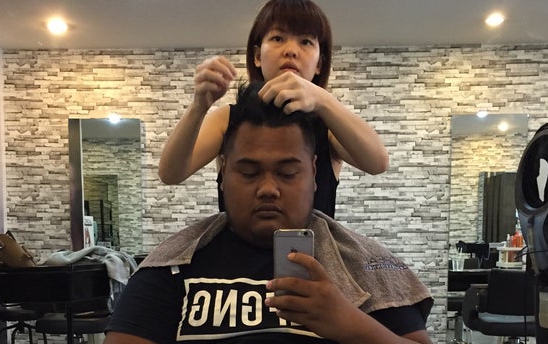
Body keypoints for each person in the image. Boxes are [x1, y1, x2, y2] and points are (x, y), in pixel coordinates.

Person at [99, 82, 442, 344]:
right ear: (223, 173)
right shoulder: (175, 264)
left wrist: (349, 323)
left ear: (314, 174)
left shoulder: (360, 264)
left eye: (287, 173)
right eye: (249, 173)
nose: (268, 189)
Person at [158, 0, 388, 218]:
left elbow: (377, 163)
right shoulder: (228, 119)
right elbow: (170, 173)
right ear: (257, 56)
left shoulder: (328, 125)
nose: (291, 50)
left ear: (319, 64)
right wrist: (198, 107)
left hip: (313, 248)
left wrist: (323, 100)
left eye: (306, 42)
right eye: (278, 38)